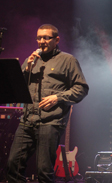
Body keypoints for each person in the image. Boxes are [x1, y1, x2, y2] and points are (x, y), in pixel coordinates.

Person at [7, 24, 89, 183]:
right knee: (12, 166)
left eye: (46, 38)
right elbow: (17, 87)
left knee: (44, 171)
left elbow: (82, 88)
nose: (41, 41)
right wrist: (27, 69)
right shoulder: (30, 60)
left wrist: (57, 97)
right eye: (39, 38)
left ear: (56, 40)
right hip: (27, 121)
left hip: (50, 122)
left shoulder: (67, 60)